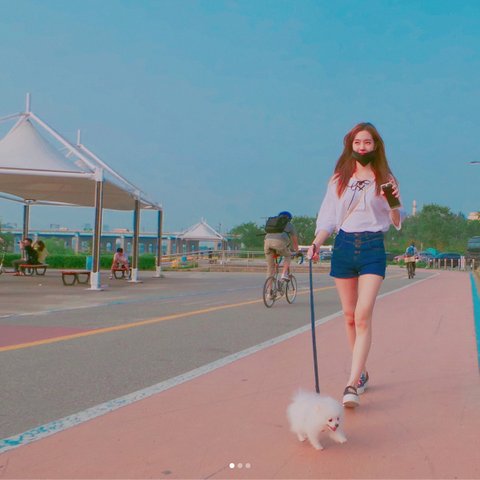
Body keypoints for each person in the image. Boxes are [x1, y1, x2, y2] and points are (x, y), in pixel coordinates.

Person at [307, 122, 403, 409]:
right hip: (343, 246)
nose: (362, 147)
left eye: (367, 143)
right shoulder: (339, 179)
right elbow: (328, 217)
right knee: (349, 316)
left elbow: (395, 221)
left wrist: (393, 203)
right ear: (350, 145)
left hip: (373, 247)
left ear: (376, 146)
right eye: (357, 143)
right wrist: (316, 242)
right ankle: (361, 373)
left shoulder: (385, 179)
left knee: (362, 315)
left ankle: (351, 384)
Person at [264, 211, 299, 282]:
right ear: (289, 219)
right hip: (279, 243)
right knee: (288, 255)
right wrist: (297, 251)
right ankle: (283, 274)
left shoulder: (273, 224)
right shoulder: (289, 225)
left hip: (267, 242)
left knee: (270, 268)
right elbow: (294, 240)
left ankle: (268, 288)